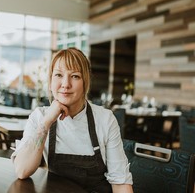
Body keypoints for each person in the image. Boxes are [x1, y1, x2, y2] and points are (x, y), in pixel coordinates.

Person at [12, 48, 133, 193]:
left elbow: (120, 184)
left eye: (75, 76)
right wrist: (47, 121)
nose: (65, 84)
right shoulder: (39, 116)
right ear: (50, 81)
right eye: (58, 75)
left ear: (85, 82)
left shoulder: (105, 119)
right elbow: (22, 170)